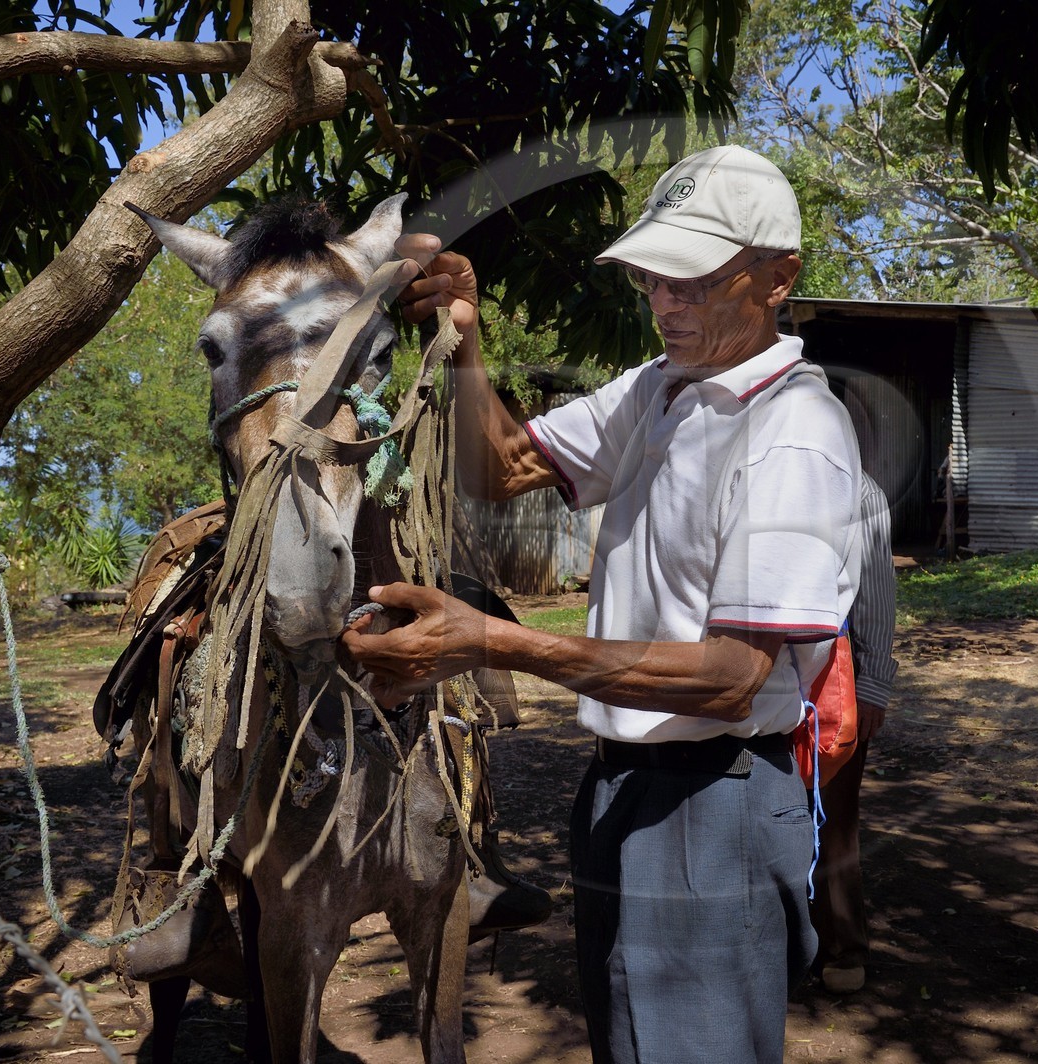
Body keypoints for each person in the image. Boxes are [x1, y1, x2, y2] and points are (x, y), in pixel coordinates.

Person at [343, 144, 864, 1064]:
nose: (667, 302)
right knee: (631, 1039)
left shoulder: (795, 432)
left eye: (694, 280)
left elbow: (736, 679)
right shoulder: (657, 391)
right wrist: (464, 336)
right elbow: (499, 468)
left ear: (778, 277)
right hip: (624, 781)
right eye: (652, 279)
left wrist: (496, 644)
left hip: (719, 797)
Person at [810, 471, 897, 994]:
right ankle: (778, 939)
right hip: (748, 668)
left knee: (833, 815)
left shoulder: (858, 489)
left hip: (831, 673)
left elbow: (875, 593)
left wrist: (873, 685)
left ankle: (842, 944)